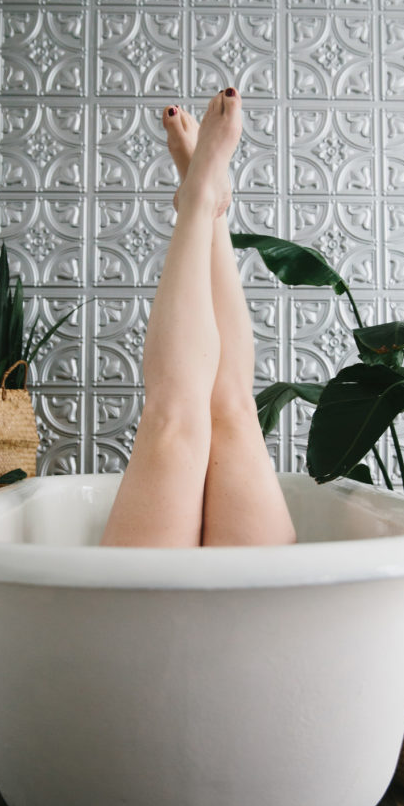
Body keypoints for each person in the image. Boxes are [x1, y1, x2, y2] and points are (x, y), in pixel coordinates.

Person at [100, 88, 296, 549]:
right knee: (232, 409)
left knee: (177, 416)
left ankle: (200, 200)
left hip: (141, 610)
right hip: (261, 608)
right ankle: (205, 203)